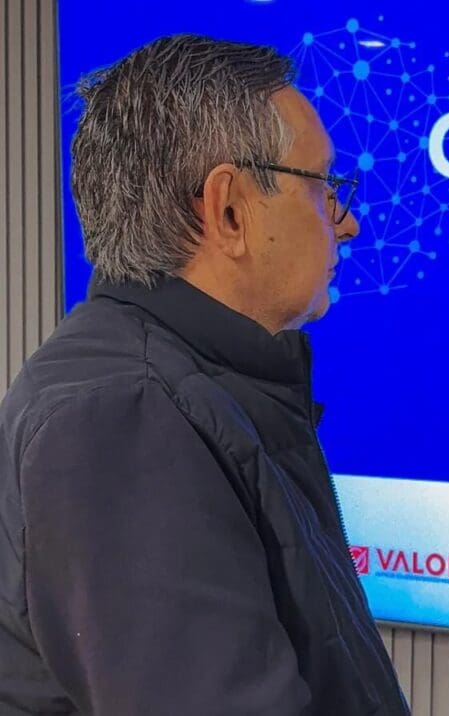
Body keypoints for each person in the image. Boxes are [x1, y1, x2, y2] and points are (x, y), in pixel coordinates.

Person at [0, 35, 409, 714]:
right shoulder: (126, 415)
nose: (348, 224)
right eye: (323, 187)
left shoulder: (193, 387)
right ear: (229, 211)